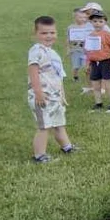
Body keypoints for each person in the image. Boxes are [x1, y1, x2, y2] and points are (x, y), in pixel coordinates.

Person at [28, 16, 76, 163]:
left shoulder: (53, 53)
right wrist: (38, 93)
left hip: (55, 96)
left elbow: (58, 75)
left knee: (59, 123)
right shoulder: (36, 51)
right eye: (44, 33)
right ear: (35, 34)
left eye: (52, 32)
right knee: (44, 127)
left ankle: (67, 146)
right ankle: (39, 155)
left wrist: (62, 94)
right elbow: (33, 71)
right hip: (42, 97)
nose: (48, 36)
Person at [85, 10, 110, 112]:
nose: (97, 24)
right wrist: (88, 63)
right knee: (95, 84)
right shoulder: (90, 35)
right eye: (95, 21)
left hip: (105, 62)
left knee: (108, 84)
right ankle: (98, 103)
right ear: (91, 22)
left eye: (100, 21)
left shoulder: (107, 34)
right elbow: (88, 51)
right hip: (94, 63)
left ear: (105, 23)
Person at [66, 7, 93, 91]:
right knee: (76, 66)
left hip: (86, 51)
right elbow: (68, 39)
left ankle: (88, 80)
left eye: (85, 17)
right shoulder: (71, 27)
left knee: (87, 66)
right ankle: (75, 76)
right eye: (80, 17)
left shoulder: (89, 26)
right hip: (75, 50)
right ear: (75, 17)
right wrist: (68, 48)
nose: (83, 19)